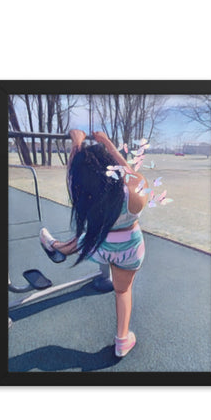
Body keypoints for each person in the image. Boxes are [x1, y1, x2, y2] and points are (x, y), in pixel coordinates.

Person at [39, 129, 148, 357]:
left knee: (87, 236)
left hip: (100, 247)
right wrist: (108, 143)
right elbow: (129, 171)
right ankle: (122, 341)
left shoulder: (87, 194)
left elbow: (75, 173)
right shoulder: (134, 191)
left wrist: (77, 144)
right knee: (123, 291)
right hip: (130, 248)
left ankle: (57, 247)